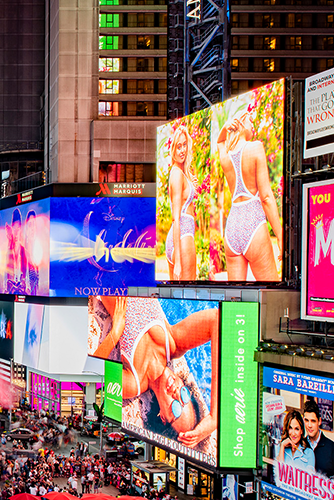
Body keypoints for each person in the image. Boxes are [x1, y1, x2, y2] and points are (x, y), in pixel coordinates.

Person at [92, 296, 219, 447]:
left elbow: (93, 371)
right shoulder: (174, 343)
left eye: (176, 408)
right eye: (184, 396)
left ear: (163, 416)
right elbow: (217, 320)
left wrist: (116, 331)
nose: (176, 393)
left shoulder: (134, 382)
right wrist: (214, 417)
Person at [215, 107, 283, 281]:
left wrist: (225, 128)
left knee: (235, 299)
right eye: (250, 120)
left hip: (232, 228)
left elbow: (220, 142)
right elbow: (266, 197)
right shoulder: (256, 147)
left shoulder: (226, 158)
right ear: (242, 123)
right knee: (271, 292)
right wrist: (280, 236)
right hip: (253, 223)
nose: (253, 124)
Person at [164, 126, 197, 280]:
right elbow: (176, 218)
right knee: (190, 293)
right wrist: (177, 260)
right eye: (179, 146)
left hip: (179, 238)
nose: (182, 150)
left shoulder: (180, 173)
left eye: (184, 145)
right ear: (173, 150)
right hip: (182, 236)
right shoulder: (176, 174)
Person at [302, 400, 334, 476]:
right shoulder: (300, 445)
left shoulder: (332, 448)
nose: (309, 425)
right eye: (306, 420)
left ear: (319, 421)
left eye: (313, 421)